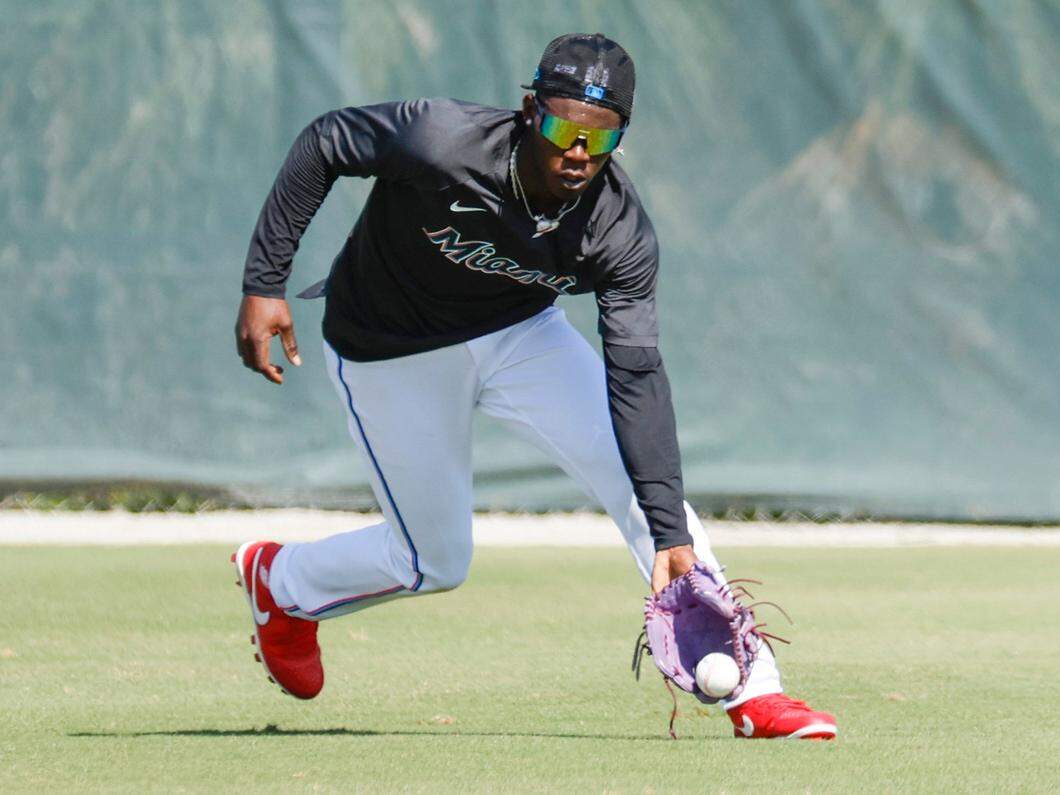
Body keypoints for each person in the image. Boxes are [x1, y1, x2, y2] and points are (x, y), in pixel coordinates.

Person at [233, 32, 836, 740]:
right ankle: (282, 583)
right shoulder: (443, 140)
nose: (578, 150)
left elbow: (636, 374)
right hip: (390, 347)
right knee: (434, 560)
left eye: (601, 134)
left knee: (649, 494)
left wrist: (669, 529)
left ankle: (755, 690)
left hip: (520, 335)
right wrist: (263, 281)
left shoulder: (618, 232)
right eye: (561, 127)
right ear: (529, 112)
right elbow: (327, 141)